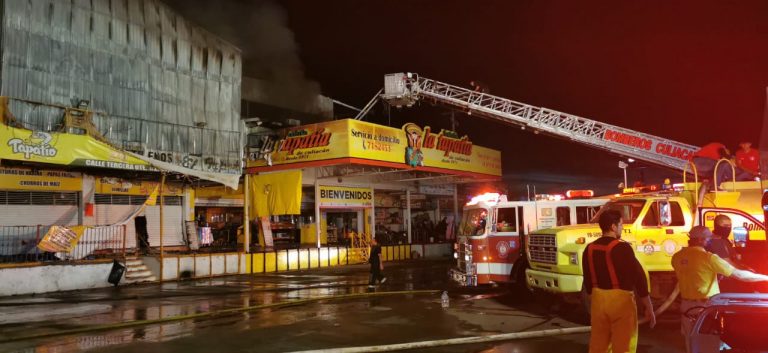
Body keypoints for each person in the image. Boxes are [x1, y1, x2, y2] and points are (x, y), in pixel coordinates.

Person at [672, 226, 768, 353]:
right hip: (706, 308)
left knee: (691, 344)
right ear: (701, 240)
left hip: (686, 307)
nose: (709, 242)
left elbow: (691, 274)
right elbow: (740, 275)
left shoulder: (677, 257)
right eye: (708, 239)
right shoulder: (709, 258)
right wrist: (765, 277)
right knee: (709, 345)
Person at [582, 210, 656, 353]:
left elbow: (588, 280)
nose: (622, 228)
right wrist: (649, 307)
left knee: (599, 345)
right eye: (621, 224)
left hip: (598, 302)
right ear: (613, 227)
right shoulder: (622, 247)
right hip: (621, 303)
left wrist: (595, 301)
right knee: (624, 345)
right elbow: (639, 277)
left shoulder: (589, 249)